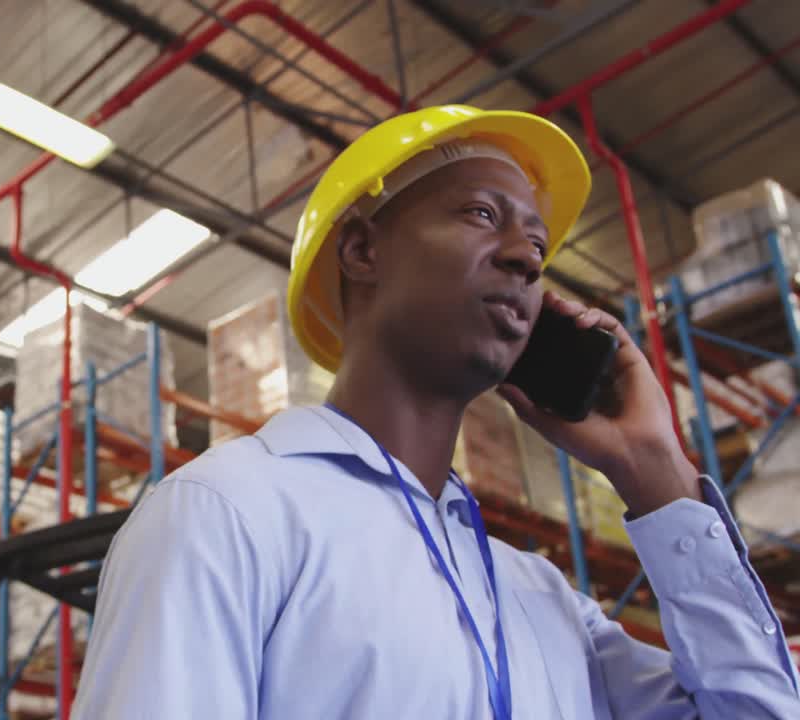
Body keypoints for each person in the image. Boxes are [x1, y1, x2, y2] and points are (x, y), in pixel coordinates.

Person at [69, 105, 800, 718]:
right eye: (483, 214)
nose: (526, 259)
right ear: (361, 249)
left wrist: (657, 473)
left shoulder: (543, 601)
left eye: (538, 244)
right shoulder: (229, 514)